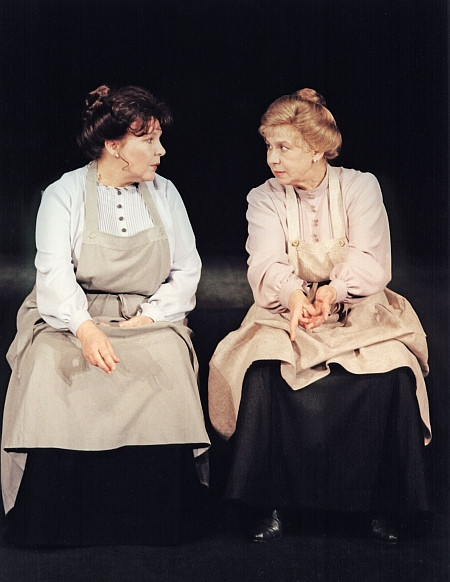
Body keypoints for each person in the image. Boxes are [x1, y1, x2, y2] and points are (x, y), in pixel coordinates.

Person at [208, 88, 430, 544]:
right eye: (268, 146)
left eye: (284, 147)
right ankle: (265, 501)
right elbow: (265, 263)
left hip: (358, 305)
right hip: (285, 308)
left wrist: (333, 292)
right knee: (262, 368)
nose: (272, 157)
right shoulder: (264, 197)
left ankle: (383, 502)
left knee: (392, 369)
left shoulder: (360, 187)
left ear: (317, 149)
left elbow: (371, 258)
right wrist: (294, 296)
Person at [1, 85, 210, 546]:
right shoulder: (63, 194)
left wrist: (151, 318)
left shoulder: (166, 193)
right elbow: (53, 275)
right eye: (149, 140)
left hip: (145, 314)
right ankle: (55, 519)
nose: (161, 150)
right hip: (69, 315)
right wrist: (84, 327)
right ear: (114, 145)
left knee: (167, 358)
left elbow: (187, 270)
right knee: (49, 363)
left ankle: (155, 518)